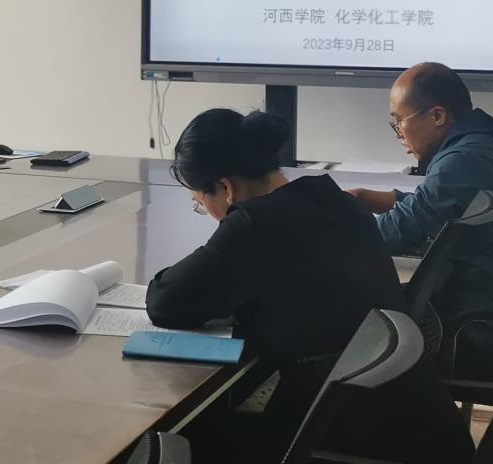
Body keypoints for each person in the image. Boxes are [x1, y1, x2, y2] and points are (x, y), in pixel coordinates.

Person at [146, 109, 404, 462]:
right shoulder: (337, 200)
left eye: (200, 203)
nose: (207, 214)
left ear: (225, 189)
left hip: (328, 433)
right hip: (387, 416)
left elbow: (165, 301)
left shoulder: (256, 224)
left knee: (180, 432)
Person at [350, 62, 493, 380]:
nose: (399, 133)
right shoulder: (491, 142)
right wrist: (374, 197)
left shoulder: (461, 161)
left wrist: (322, 231)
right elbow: (444, 204)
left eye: (399, 120)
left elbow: (394, 233)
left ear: (437, 116)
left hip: (483, 334)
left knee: (359, 320)